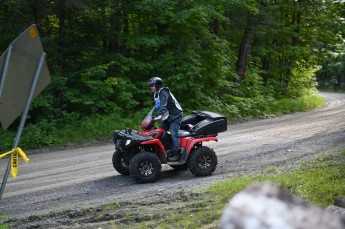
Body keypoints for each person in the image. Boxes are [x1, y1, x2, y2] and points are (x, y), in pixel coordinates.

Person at [148, 77, 183, 161]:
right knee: (160, 132)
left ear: (157, 85)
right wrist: (153, 117)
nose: (151, 87)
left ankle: (177, 153)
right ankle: (166, 149)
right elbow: (158, 107)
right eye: (150, 86)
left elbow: (164, 104)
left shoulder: (163, 91)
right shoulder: (156, 94)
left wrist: (160, 115)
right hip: (168, 117)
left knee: (174, 133)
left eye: (152, 85)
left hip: (175, 116)